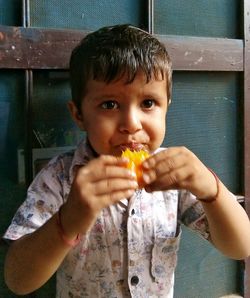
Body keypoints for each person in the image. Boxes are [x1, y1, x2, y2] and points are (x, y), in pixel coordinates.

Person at [3, 24, 250, 298]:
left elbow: (240, 246)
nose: (131, 124)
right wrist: (68, 219)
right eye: (109, 105)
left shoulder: (176, 174)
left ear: (167, 105)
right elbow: (18, 280)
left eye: (148, 103)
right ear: (79, 115)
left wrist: (211, 190)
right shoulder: (60, 178)